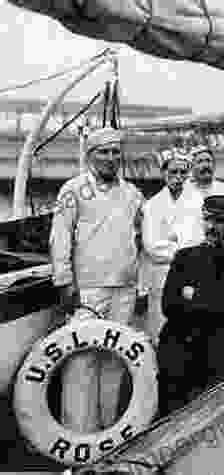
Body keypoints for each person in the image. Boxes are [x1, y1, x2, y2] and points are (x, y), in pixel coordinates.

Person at [50, 127, 145, 432]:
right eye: (103, 152)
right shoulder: (72, 190)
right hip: (88, 291)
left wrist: (140, 283)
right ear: (90, 155)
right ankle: (79, 435)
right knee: (81, 363)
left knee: (115, 363)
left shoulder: (133, 194)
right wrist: (65, 282)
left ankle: (108, 435)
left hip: (125, 290)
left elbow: (144, 239)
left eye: (116, 152)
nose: (110, 158)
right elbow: (60, 237)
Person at [158, 195, 224, 417]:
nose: (211, 227)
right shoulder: (185, 256)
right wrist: (222, 296)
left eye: (219, 221)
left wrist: (195, 296)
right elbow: (169, 306)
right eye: (207, 219)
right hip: (184, 343)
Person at [140, 149, 194, 346]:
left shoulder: (197, 202)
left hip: (192, 273)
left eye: (182, 173)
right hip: (162, 273)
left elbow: (200, 239)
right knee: (160, 325)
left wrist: (175, 242)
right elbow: (152, 246)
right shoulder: (153, 205)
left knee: (190, 327)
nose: (178, 178)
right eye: (173, 172)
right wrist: (184, 249)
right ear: (164, 173)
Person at [180, 145, 224, 246]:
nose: (205, 165)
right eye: (200, 162)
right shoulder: (182, 191)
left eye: (208, 161)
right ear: (192, 167)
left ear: (214, 165)